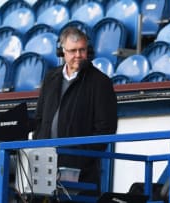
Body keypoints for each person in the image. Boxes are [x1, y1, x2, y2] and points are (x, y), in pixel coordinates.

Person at [33, 27, 118, 198]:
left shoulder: (100, 82)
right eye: (73, 51)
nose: (78, 55)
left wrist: (81, 160)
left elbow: (105, 129)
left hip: (80, 170)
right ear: (62, 52)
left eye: (82, 50)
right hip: (45, 164)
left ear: (89, 51)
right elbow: (39, 118)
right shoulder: (51, 78)